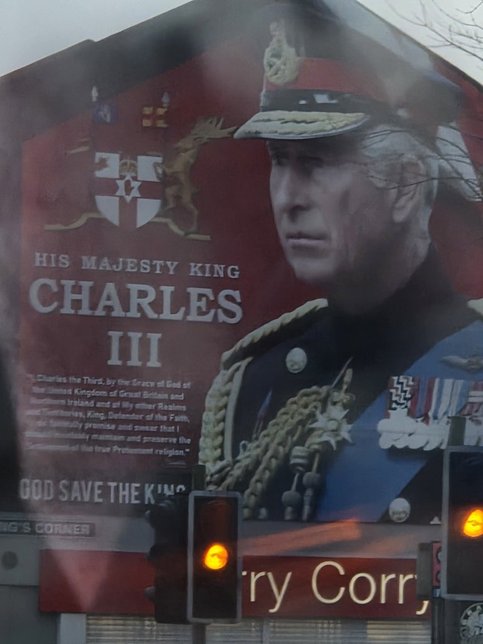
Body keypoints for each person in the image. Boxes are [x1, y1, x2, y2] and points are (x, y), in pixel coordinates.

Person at [199, 0, 483, 523]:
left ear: (404, 184)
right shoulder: (254, 381)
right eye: (279, 161)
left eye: (316, 162)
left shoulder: (475, 360)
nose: (288, 198)